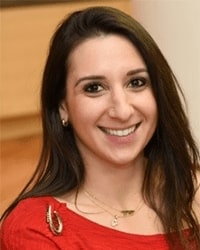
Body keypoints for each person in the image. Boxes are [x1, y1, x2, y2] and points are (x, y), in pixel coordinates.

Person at [0, 6, 199, 250]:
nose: (122, 110)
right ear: (62, 106)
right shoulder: (36, 230)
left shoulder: (193, 193)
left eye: (136, 82)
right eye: (94, 87)